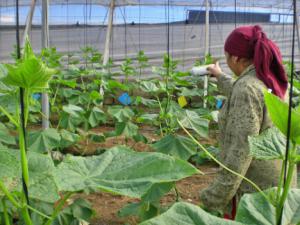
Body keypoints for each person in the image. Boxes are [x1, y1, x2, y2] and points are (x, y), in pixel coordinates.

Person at [200, 25, 296, 219]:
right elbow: (246, 92)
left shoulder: (247, 89)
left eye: (227, 57)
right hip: (280, 186)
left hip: (254, 192)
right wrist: (219, 76)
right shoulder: (269, 78)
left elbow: (240, 151)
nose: (227, 62)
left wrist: (215, 197)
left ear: (235, 58)